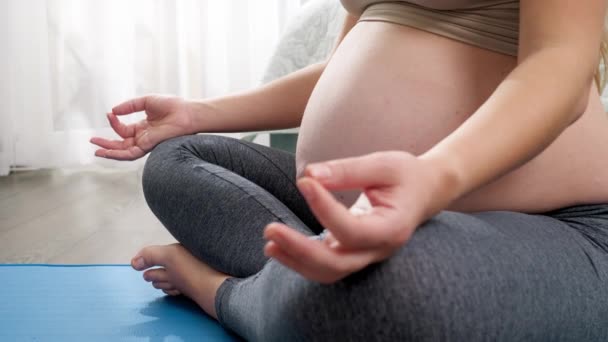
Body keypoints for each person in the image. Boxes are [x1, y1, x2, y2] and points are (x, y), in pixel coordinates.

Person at [91, 0, 608, 340]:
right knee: (178, 159)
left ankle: (223, 292)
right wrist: (203, 113)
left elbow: (559, 63)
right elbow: (346, 66)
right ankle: (317, 280)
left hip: (562, 226)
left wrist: (434, 177)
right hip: (359, 210)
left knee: (398, 288)